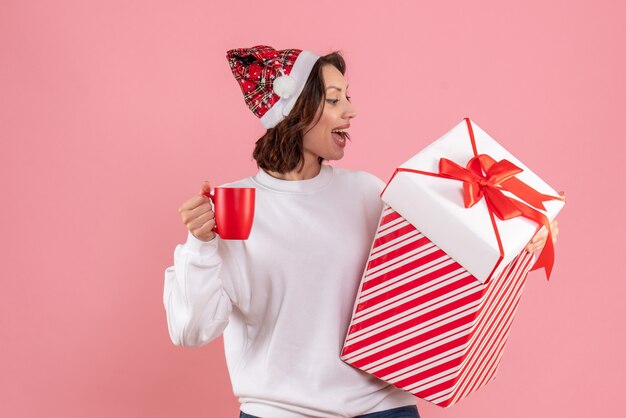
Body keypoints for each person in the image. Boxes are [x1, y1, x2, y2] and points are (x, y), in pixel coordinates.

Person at [163, 45, 559, 418]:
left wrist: (522, 235)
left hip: (385, 407)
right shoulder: (232, 205)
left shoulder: (367, 191)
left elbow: (440, 266)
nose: (351, 110)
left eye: (347, 97)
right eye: (334, 100)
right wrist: (200, 246)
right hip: (281, 411)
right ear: (295, 111)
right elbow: (190, 331)